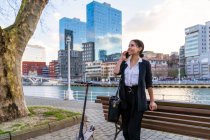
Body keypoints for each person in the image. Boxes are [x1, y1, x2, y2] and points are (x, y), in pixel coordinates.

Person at [114, 39, 157, 140]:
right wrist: (121, 59)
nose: (129, 47)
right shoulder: (125, 63)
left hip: (138, 98)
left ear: (139, 48)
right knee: (125, 131)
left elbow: (149, 84)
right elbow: (116, 72)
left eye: (132, 45)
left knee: (133, 131)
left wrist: (152, 101)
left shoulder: (145, 64)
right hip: (125, 98)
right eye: (129, 45)